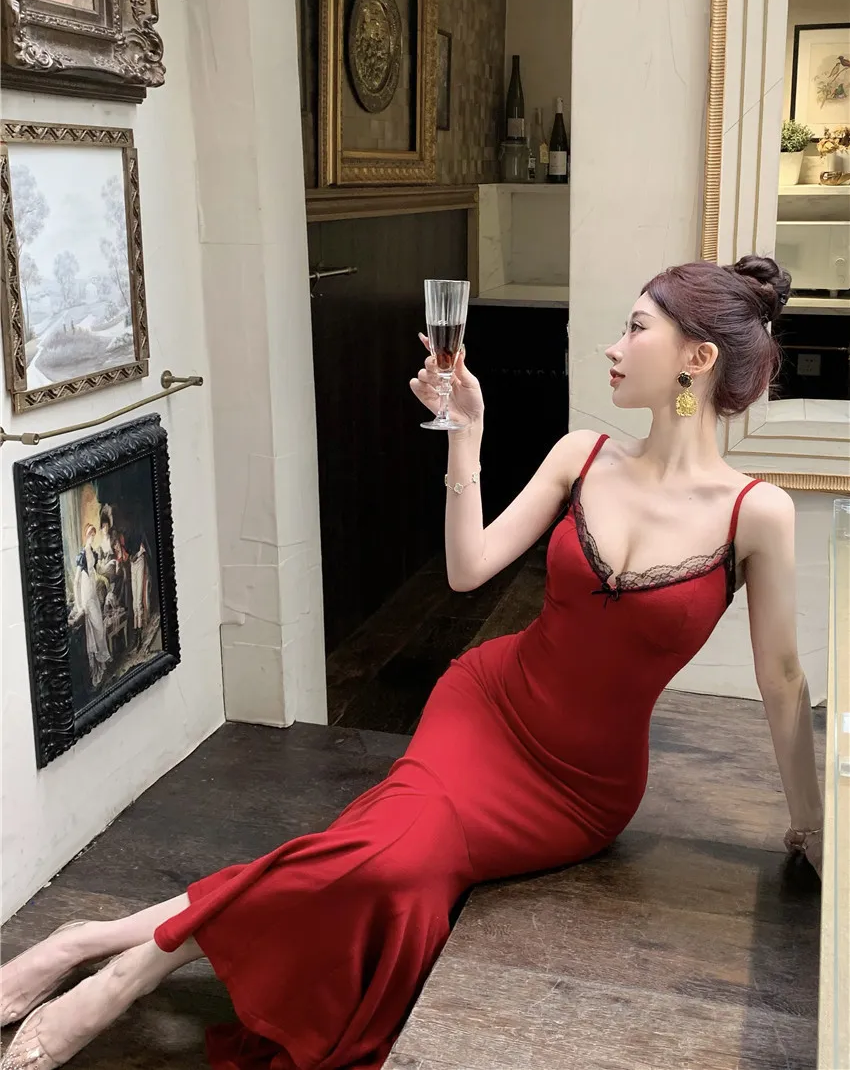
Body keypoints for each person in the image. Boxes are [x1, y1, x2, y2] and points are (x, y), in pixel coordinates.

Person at [0, 256, 823, 1070]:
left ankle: (103, 941)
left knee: (388, 867)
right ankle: (121, 971)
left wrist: (813, 826)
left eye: (636, 328)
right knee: (392, 860)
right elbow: (468, 570)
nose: (614, 345)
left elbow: (783, 682)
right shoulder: (583, 453)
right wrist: (466, 432)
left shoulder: (757, 514)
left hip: (581, 789)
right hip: (488, 706)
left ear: (696, 358)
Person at [70, 524, 110, 690]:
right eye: (89, 534)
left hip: (93, 594)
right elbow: (76, 581)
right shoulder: (81, 555)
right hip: (86, 597)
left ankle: (102, 666)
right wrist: (79, 605)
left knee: (100, 630)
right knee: (95, 631)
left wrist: (108, 568)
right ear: (85, 536)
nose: (92, 537)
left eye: (93, 534)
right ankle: (97, 670)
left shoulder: (94, 553)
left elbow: (98, 570)